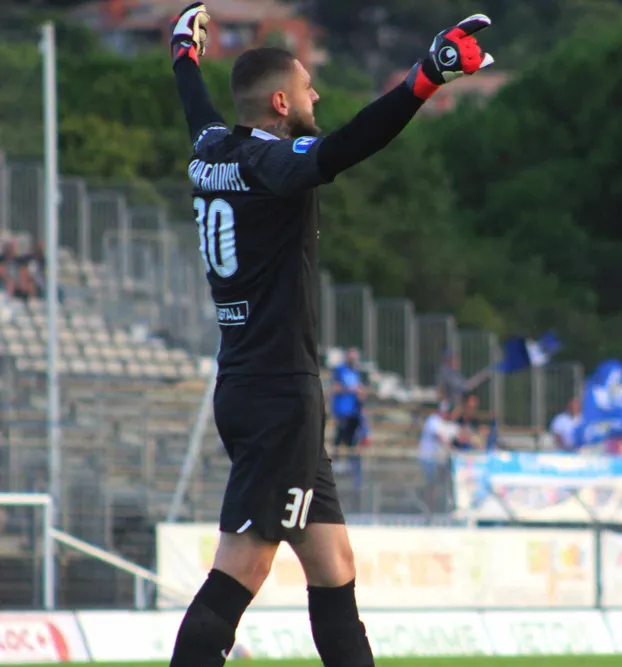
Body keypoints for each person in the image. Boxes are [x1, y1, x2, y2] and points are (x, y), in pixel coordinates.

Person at [165, 4, 493, 667]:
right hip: (279, 392)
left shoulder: (212, 151)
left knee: (333, 563)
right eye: (308, 87)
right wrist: (424, 79)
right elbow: (347, 145)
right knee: (240, 571)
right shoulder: (271, 164)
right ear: (281, 103)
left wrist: (183, 57)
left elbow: (198, 111)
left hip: (252, 384)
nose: (317, 95)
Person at [331, 347, 366, 470]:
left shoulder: (355, 372)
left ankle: (351, 465)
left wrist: (360, 392)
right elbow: (336, 387)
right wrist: (350, 389)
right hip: (342, 409)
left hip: (353, 411)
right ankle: (335, 462)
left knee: (352, 439)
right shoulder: (340, 370)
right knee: (340, 436)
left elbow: (358, 389)